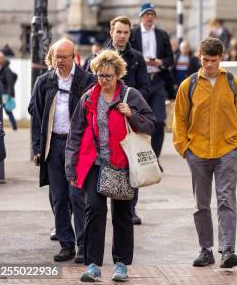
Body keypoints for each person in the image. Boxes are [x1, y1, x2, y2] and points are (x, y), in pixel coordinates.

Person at [65, 50, 155, 282]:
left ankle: (121, 265)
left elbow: (151, 124)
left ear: (118, 75)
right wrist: (71, 167)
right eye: (100, 75)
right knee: (94, 210)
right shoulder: (88, 98)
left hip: (123, 163)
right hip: (95, 163)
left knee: (122, 215)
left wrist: (132, 115)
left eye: (108, 76)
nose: (103, 80)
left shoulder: (130, 95)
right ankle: (93, 265)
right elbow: (75, 134)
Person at [173, 37, 237, 269]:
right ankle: (205, 250)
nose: (209, 65)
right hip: (196, 152)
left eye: (213, 61)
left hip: (227, 150)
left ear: (221, 59)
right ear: (199, 57)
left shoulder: (234, 84)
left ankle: (227, 250)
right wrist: (184, 148)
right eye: (205, 60)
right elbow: (179, 118)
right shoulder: (189, 85)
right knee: (201, 204)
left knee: (226, 200)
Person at [28, 39, 96, 263]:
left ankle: (83, 246)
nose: (60, 61)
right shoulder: (44, 81)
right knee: (58, 197)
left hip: (77, 146)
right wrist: (38, 148)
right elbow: (36, 114)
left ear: (73, 56)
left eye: (64, 57)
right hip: (53, 145)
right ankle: (66, 244)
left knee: (78, 196)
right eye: (56, 56)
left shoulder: (87, 81)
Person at [86, 15, 150, 224]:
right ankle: (99, 209)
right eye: (118, 31)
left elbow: (145, 87)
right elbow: (89, 87)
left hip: (127, 116)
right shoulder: (98, 57)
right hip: (103, 119)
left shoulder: (137, 58)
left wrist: (131, 105)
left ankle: (130, 208)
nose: (122, 36)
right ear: (111, 32)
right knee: (102, 163)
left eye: (126, 32)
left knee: (132, 161)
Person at [130, 3, 174, 201]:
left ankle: (153, 157)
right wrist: (142, 61)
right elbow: (129, 53)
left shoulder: (163, 35)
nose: (149, 17)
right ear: (141, 17)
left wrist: (160, 62)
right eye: (146, 14)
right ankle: (138, 156)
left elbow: (171, 59)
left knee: (158, 121)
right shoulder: (132, 33)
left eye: (152, 14)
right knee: (138, 121)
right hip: (141, 81)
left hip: (157, 82)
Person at [0, 52, 17, 130]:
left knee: (7, 110)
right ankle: (0, 126)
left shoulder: (6, 69)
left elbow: (10, 81)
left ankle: (14, 126)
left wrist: (9, 94)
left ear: (2, 59)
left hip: (4, 93)